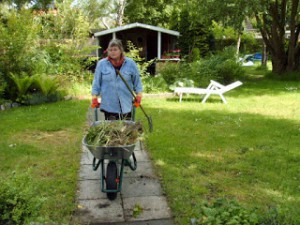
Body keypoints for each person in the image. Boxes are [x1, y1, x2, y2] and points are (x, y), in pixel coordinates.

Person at [91, 39, 143, 120]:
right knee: (111, 130)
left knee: (126, 130)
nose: (112, 52)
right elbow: (96, 82)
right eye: (110, 50)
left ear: (121, 50)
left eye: (115, 49)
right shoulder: (102, 64)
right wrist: (94, 97)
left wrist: (139, 95)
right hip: (109, 105)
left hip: (126, 105)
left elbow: (137, 82)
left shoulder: (130, 64)